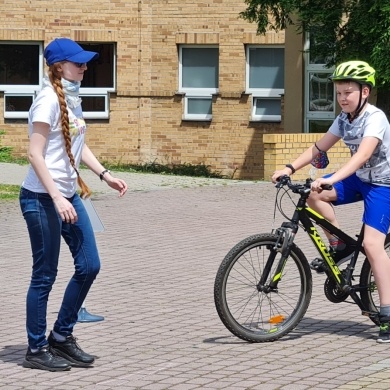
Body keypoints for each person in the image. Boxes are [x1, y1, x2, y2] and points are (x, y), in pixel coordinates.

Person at [20, 37, 128, 371]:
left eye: (85, 63)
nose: (84, 67)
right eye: (78, 63)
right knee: (45, 274)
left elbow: (76, 144)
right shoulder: (47, 101)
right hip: (41, 198)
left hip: (67, 196)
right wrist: (55, 196)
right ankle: (36, 350)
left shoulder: (71, 98)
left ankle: (62, 337)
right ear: (58, 66)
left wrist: (104, 174)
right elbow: (35, 153)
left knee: (89, 265)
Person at [271, 60, 390, 343]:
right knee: (311, 193)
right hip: (359, 179)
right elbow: (319, 147)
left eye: (347, 92)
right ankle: (340, 245)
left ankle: (387, 312)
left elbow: (362, 155)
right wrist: (289, 168)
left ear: (365, 92)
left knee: (373, 245)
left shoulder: (376, 118)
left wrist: (332, 179)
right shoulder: (343, 119)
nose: (342, 98)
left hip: (384, 185)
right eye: (338, 93)